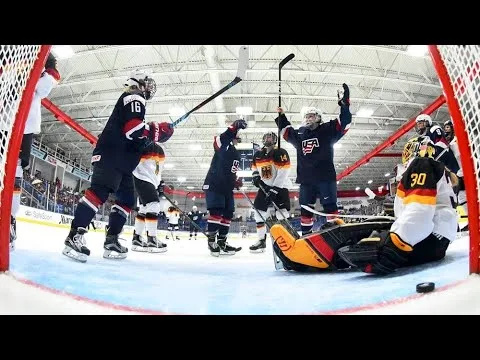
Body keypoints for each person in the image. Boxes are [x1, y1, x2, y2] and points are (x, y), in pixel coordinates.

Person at [269, 136, 458, 274]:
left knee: (363, 241)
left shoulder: (421, 165)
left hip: (428, 239)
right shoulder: (435, 170)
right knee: (368, 232)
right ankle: (306, 259)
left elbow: (420, 212)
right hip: (434, 241)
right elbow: (415, 212)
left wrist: (397, 243)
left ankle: (301, 255)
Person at [62, 70, 173, 262]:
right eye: (147, 82)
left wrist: (151, 138)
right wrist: (155, 132)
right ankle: (74, 236)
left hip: (122, 162)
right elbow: (133, 129)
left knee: (127, 200)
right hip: (111, 156)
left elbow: (134, 137)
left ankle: (111, 240)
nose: (149, 87)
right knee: (99, 192)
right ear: (138, 83)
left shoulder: (135, 101)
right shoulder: (134, 97)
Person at [274, 83, 351, 236]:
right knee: (305, 209)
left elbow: (345, 123)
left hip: (325, 177)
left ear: (318, 117)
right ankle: (306, 237)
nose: (308, 118)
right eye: (307, 116)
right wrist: (282, 116)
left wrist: (344, 105)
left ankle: (335, 236)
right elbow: (286, 131)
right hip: (306, 179)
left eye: (312, 115)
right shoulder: (300, 134)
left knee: (330, 207)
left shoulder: (327, 129)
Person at [10, 52, 60, 251]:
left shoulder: (42, 70)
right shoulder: (14, 59)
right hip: (6, 122)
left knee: (16, 172)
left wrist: (46, 65)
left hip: (24, 127)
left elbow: (45, 86)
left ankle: (9, 220)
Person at [202, 119, 247, 256]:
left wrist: (235, 181)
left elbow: (231, 171)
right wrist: (232, 127)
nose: (238, 136)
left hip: (227, 187)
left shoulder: (236, 153)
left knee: (228, 214)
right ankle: (211, 242)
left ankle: (222, 242)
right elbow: (218, 141)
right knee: (216, 212)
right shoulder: (223, 145)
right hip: (215, 184)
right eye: (237, 133)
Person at [249, 131, 291, 253]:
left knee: (282, 214)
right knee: (258, 214)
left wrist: (275, 188)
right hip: (264, 187)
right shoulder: (258, 154)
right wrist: (255, 176)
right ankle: (261, 241)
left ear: (275, 139)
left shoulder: (280, 152)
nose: (268, 139)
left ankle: (287, 238)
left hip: (280, 187)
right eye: (266, 137)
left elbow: (284, 171)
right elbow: (254, 167)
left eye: (270, 137)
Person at [130, 140, 169, 253]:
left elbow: (157, 170)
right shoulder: (146, 143)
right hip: (142, 178)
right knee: (154, 205)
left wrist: (159, 183)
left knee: (144, 208)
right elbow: (135, 161)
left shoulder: (159, 149)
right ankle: (152, 240)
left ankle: (137, 238)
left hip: (149, 181)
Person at [443, 119, 468, 230]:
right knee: (461, 197)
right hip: (459, 174)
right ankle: (472, 219)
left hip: (469, 171)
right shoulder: (450, 143)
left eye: (448, 127)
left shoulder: (460, 139)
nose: (446, 130)